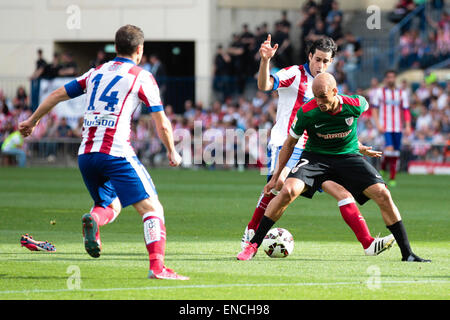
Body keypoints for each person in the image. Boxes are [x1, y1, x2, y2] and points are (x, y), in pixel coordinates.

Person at [18, 24, 189, 280]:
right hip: (116, 152)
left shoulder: (96, 72)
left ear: (116, 47)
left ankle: (95, 221)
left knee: (110, 204)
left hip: (86, 155)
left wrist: (32, 120)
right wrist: (172, 151)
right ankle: (157, 268)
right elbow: (161, 121)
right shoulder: (141, 76)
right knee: (153, 209)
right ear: (140, 50)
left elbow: (57, 94)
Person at [238, 72, 430, 263]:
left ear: (335, 91)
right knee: (287, 191)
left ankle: (407, 254)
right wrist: (275, 176)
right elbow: (289, 144)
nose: (320, 102)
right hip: (315, 158)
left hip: (347, 157)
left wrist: (359, 146)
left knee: (383, 194)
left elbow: (359, 121)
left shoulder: (356, 104)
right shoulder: (307, 112)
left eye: (323, 96)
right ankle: (253, 246)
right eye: (316, 97)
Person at [241, 35, 395, 257]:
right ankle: (252, 233)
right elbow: (265, 84)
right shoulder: (294, 74)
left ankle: (369, 244)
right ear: (310, 56)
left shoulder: (328, 85)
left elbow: (336, 125)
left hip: (317, 150)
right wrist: (265, 61)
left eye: (326, 61)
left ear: (331, 62)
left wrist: (358, 146)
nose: (321, 65)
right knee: (280, 185)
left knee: (342, 191)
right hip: (287, 143)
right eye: (318, 59)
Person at [371, 70, 411, 187]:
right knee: (390, 149)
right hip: (385, 127)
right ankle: (390, 178)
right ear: (385, 79)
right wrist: (378, 124)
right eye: (388, 77)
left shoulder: (401, 93)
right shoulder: (380, 92)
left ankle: (384, 168)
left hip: (398, 127)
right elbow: (374, 108)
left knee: (395, 152)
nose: (390, 79)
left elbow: (406, 110)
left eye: (392, 77)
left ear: (395, 79)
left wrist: (408, 126)